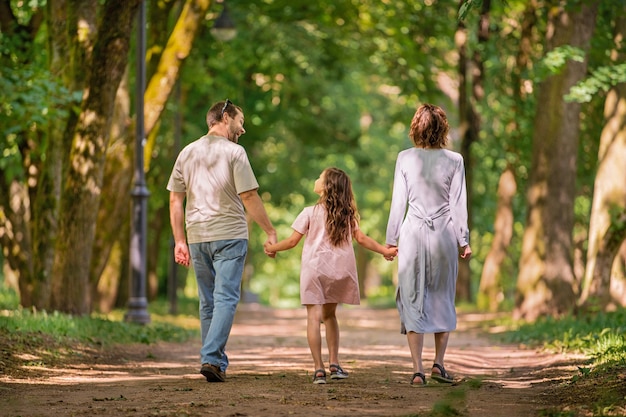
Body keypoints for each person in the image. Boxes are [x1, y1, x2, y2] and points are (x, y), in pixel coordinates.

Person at [167, 99, 277, 383]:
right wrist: (269, 230)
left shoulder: (186, 152)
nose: (243, 129)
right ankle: (213, 359)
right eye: (240, 122)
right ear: (225, 117)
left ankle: (211, 359)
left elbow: (175, 199)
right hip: (229, 234)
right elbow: (249, 196)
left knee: (208, 302)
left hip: (197, 236)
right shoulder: (235, 152)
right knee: (226, 297)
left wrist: (180, 239)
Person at [264, 167, 397, 384]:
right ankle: (334, 364)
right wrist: (385, 251)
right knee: (330, 316)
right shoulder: (347, 215)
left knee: (313, 318)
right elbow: (362, 239)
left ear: (325, 187)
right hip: (339, 271)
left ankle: (318, 369)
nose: (316, 179)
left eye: (320, 177)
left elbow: (291, 242)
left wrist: (272, 248)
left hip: (315, 270)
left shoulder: (309, 212)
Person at [385, 103, 472, 387]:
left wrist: (390, 239)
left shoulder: (405, 158)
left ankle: (417, 370)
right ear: (443, 129)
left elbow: (399, 202)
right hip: (444, 235)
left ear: (416, 128)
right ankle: (439, 363)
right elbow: (458, 204)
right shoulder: (455, 160)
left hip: (412, 235)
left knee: (412, 296)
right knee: (442, 296)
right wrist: (464, 239)